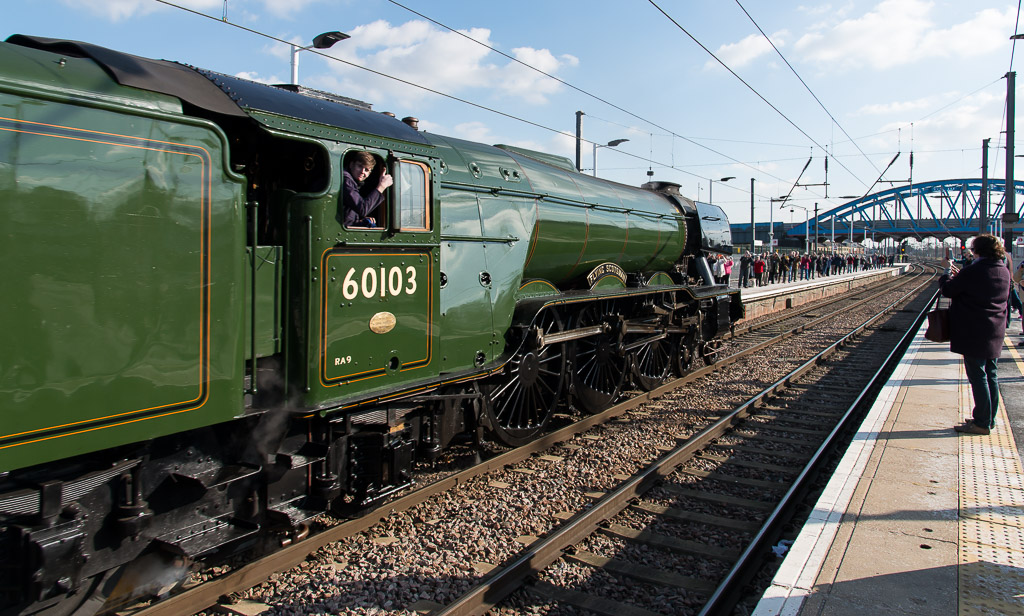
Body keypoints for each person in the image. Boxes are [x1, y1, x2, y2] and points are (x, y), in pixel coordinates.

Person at [939, 234, 1011, 435]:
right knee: (991, 375)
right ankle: (988, 419)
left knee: (978, 376)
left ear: (978, 250)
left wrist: (946, 270)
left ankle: (981, 423)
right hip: (995, 330)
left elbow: (948, 290)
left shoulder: (974, 270)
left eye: (972, 249)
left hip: (973, 330)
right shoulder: (1002, 270)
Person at [341, 151, 393, 227]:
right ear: (351, 165)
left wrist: (359, 220)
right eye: (359, 166)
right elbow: (362, 209)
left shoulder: (352, 181)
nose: (362, 172)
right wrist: (382, 186)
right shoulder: (346, 180)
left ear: (369, 173)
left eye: (366, 170)